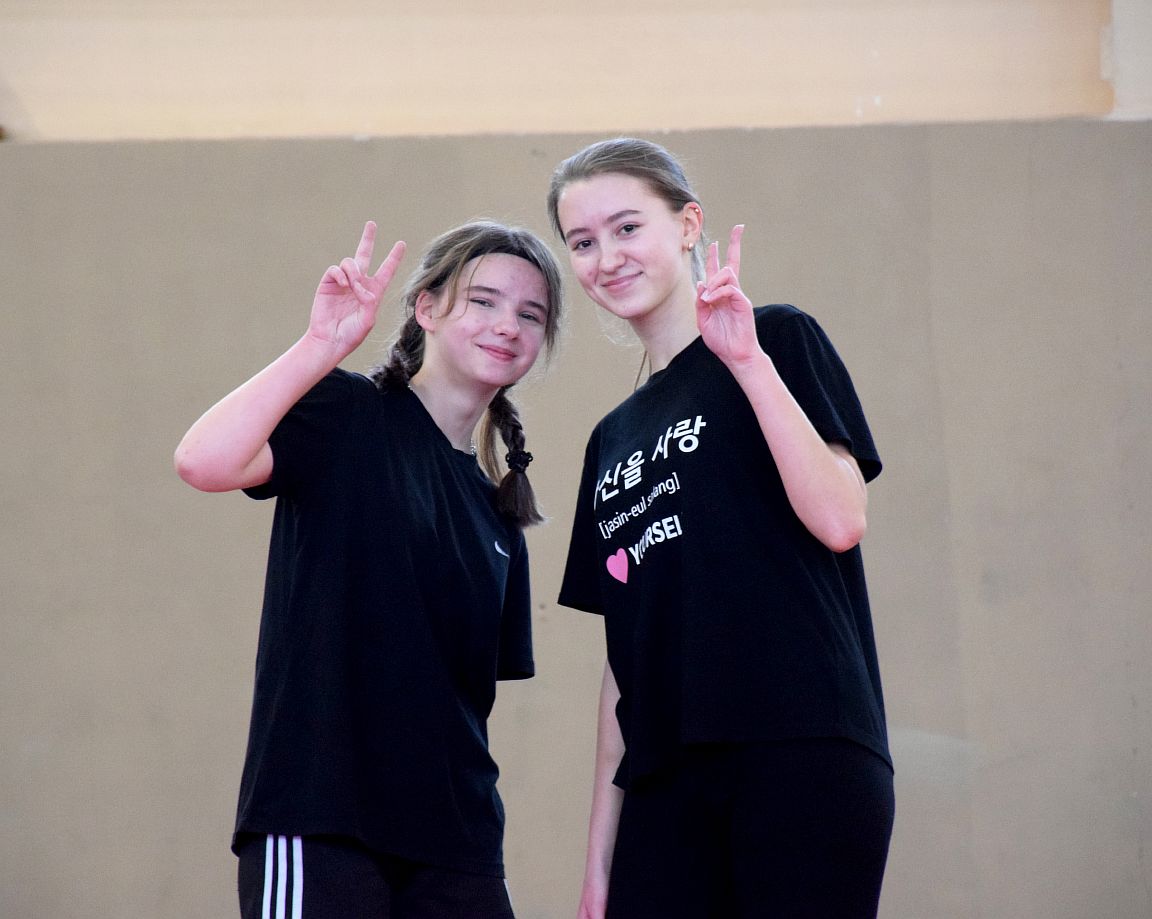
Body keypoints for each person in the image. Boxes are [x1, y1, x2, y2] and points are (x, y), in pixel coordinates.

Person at [174, 218, 563, 919]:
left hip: (459, 848)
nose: (508, 325)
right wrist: (319, 347)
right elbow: (203, 461)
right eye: (483, 300)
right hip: (322, 821)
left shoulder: (499, 512)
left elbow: (457, 707)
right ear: (426, 308)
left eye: (530, 314)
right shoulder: (349, 414)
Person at [548, 138, 894, 919]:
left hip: (799, 744)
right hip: (665, 780)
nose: (607, 256)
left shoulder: (779, 338)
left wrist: (746, 361)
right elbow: (624, 661)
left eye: (627, 227)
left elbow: (841, 518)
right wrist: (599, 861)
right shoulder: (610, 439)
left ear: (687, 225)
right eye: (583, 241)